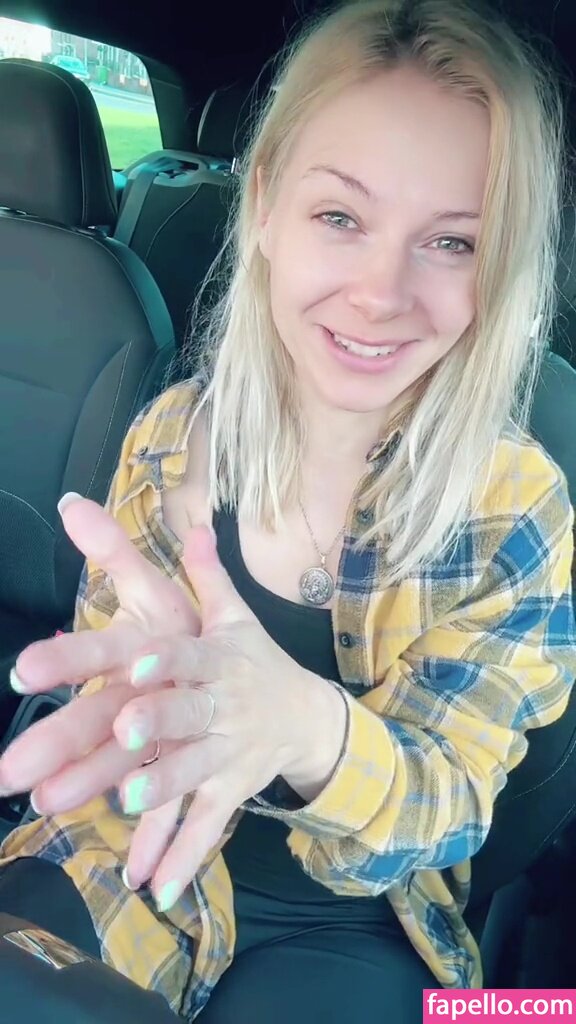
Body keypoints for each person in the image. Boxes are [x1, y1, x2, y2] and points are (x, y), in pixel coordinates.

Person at [0, 0, 575, 1020]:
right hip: (126, 842)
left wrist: (309, 728)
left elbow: (453, 809)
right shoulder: (169, 437)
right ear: (264, 205)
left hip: (360, 915)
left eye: (453, 241)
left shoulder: (516, 504)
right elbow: (112, 689)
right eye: (340, 218)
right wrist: (134, 706)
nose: (381, 292)